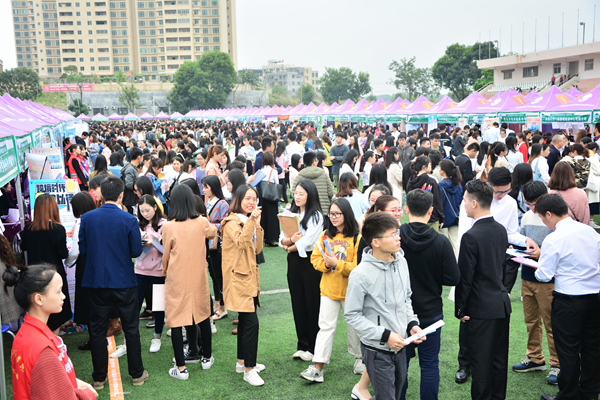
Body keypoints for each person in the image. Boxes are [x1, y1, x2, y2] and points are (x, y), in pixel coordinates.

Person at [345, 212, 425, 400]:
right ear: (376, 242)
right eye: (392, 235)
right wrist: (385, 335)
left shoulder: (402, 262)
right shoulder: (360, 274)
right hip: (376, 351)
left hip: (401, 346)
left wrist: (412, 323)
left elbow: (406, 298)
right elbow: (352, 315)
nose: (398, 238)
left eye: (397, 233)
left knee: (395, 395)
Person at [78, 176, 149, 390]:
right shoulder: (128, 219)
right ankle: (137, 374)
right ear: (120, 195)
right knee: (131, 328)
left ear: (101, 193)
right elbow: (136, 251)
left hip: (97, 282)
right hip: (123, 281)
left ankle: (99, 378)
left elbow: (83, 249)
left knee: (97, 330)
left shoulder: (88, 218)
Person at [533, 194, 600, 400]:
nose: (543, 222)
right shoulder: (590, 231)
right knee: (592, 348)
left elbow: (544, 275)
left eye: (542, 217)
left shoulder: (553, 238)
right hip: (594, 298)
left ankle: (568, 395)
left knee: (568, 351)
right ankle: (589, 393)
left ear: (549, 214)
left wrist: (538, 265)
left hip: (568, 301)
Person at [400, 189, 460, 400]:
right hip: (430, 311)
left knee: (400, 364)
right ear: (431, 211)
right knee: (429, 364)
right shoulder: (441, 241)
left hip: (401, 312)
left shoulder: (396, 238)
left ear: (406, 209)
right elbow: (453, 277)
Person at [5, 264, 98, 400]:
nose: (63, 296)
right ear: (39, 299)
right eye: (58, 291)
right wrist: (88, 394)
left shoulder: (25, 334)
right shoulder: (43, 350)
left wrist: (73, 382)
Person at [455, 179, 511, 400]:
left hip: (480, 309)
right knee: (498, 361)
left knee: (480, 363)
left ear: (474, 203)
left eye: (464, 200)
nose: (463, 204)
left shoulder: (471, 236)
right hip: (500, 305)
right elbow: (503, 268)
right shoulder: (501, 230)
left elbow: (465, 278)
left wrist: (460, 308)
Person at [300, 197, 362, 383]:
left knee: (355, 329)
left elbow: (359, 266)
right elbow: (315, 259)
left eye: (337, 214)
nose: (333, 217)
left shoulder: (357, 237)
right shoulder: (325, 236)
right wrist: (326, 265)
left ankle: (360, 359)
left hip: (352, 292)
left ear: (346, 214)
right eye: (331, 214)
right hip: (328, 290)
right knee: (325, 328)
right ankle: (318, 367)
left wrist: (338, 264)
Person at [162, 185, 216, 380]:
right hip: (198, 276)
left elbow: (166, 254)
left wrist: (164, 271)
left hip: (177, 277)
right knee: (203, 315)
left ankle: (181, 368)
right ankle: (207, 357)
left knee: (176, 321)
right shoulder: (201, 222)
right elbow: (213, 232)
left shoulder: (168, 226)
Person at [511, 181, 560, 386]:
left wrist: (542, 253)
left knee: (551, 323)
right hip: (527, 274)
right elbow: (522, 240)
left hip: (548, 278)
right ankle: (535, 357)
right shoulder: (527, 216)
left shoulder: (553, 217)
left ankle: (557, 364)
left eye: (535, 203)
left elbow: (559, 247)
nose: (532, 208)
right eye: (528, 204)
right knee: (531, 320)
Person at [221, 185, 266, 386]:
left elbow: (257, 249)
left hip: (248, 278)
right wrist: (252, 222)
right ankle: (249, 369)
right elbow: (241, 243)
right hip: (239, 279)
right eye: (248, 198)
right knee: (251, 324)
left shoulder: (247, 220)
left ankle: (242, 363)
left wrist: (257, 225)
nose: (251, 202)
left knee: (246, 322)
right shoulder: (231, 222)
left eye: (254, 199)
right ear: (238, 199)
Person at [279, 180, 324, 362]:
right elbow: (281, 238)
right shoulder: (291, 213)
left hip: (310, 262)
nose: (297, 197)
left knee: (312, 304)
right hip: (294, 262)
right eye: (295, 193)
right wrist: (289, 242)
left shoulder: (316, 216)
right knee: (297, 302)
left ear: (310, 195)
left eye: (301, 193)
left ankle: (313, 347)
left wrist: (288, 245)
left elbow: (307, 242)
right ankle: (302, 344)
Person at [20, 194, 70, 333]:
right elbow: (63, 253)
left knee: (39, 307)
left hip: (34, 275)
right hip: (54, 274)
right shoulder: (57, 229)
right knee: (56, 306)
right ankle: (54, 337)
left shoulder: (28, 229)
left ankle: (42, 335)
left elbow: (24, 247)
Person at [64, 192, 97, 350]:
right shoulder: (97, 219)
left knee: (87, 301)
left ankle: (94, 339)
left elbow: (75, 251)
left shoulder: (82, 223)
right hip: (99, 264)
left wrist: (67, 263)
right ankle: (100, 335)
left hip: (85, 266)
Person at [135, 195, 166, 354]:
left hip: (158, 271)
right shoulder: (137, 224)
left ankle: (157, 337)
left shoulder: (164, 225)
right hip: (140, 269)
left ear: (155, 207)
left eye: (147, 210)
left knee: (159, 305)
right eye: (142, 211)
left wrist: (154, 241)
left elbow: (167, 249)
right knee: (135, 304)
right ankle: (129, 340)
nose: (145, 214)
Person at [202, 175, 230, 320]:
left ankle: (223, 306)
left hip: (218, 243)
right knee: (213, 274)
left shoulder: (223, 204)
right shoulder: (209, 202)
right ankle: (218, 302)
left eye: (206, 187)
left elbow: (226, 224)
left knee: (219, 275)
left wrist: (209, 225)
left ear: (213, 187)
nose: (204, 190)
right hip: (209, 242)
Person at [405, 156, 444, 231]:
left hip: (415, 217)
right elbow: (437, 201)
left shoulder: (411, 181)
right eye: (429, 165)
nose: (431, 166)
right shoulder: (432, 181)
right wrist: (441, 217)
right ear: (424, 167)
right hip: (431, 217)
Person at [438, 160, 463, 259]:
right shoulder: (458, 185)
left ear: (443, 171)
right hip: (455, 216)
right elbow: (459, 200)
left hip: (443, 218)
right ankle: (457, 263)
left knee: (444, 244)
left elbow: (439, 203)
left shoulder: (441, 185)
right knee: (455, 242)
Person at [258, 151, 281, 246]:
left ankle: (262, 237)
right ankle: (271, 239)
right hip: (271, 196)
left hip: (262, 196)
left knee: (263, 217)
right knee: (272, 218)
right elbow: (277, 183)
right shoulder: (274, 171)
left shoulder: (260, 171)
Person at [121, 147, 144, 214]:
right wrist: (138, 187)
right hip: (129, 200)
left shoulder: (130, 167)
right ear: (139, 157)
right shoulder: (130, 169)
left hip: (130, 199)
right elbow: (128, 184)